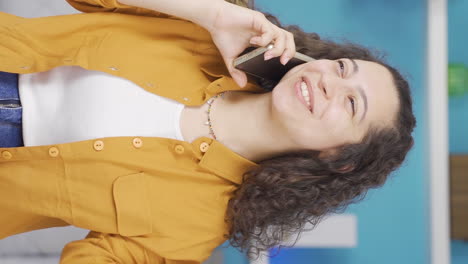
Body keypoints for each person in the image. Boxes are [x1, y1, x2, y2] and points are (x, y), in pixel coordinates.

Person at [0, 0, 416, 263]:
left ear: (338, 159)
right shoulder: (214, 23)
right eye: (343, 68)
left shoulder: (196, 229)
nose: (330, 82)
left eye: (351, 104)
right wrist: (209, 12)